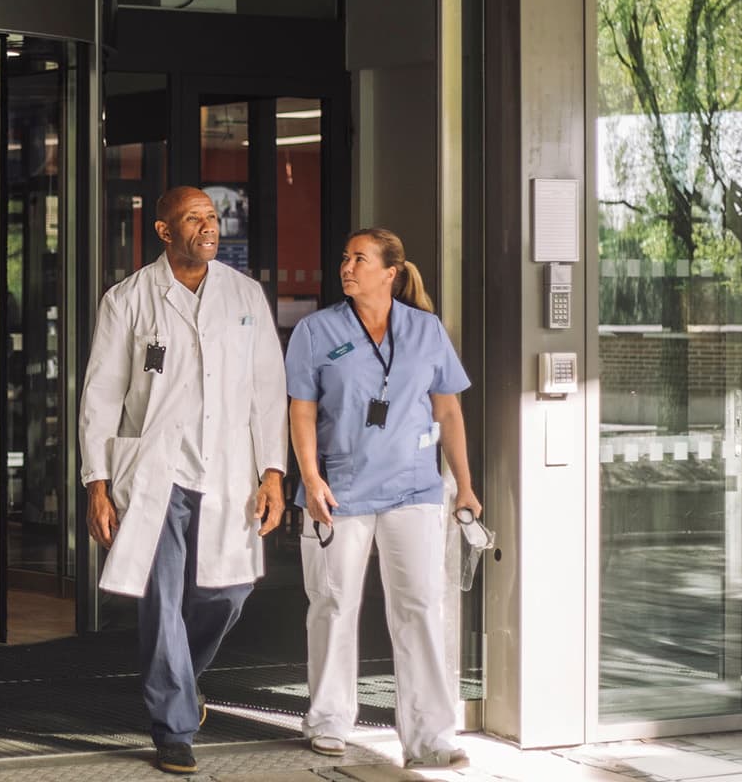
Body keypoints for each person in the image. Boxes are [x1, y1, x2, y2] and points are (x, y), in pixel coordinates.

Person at [79, 186, 289, 776]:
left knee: (229, 592)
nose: (208, 226)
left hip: (228, 471)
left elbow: (268, 392)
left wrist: (273, 472)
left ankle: (181, 678)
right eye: (194, 218)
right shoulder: (128, 299)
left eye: (212, 217)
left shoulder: (244, 295)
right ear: (165, 231)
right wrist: (96, 481)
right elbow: (100, 394)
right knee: (160, 599)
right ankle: (173, 725)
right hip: (155, 472)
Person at [285, 228, 480, 768]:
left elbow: (448, 412)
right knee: (333, 604)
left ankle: (430, 736)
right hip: (338, 490)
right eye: (344, 257)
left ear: (390, 272)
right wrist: (310, 476)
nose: (346, 267)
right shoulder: (316, 331)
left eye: (359, 259)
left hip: (414, 488)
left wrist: (463, 483)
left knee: (420, 606)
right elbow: (301, 410)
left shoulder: (426, 330)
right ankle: (328, 720)